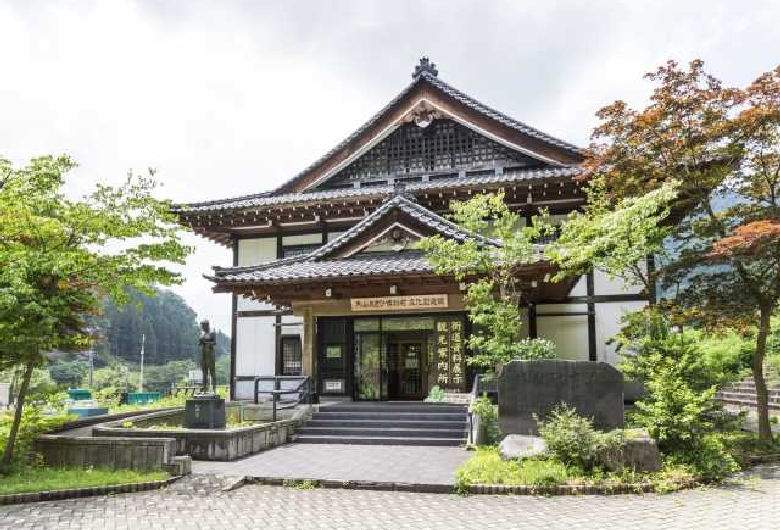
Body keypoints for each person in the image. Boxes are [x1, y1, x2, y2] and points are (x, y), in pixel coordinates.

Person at [198, 320, 217, 393]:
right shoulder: (202, 334)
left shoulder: (212, 333)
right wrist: (201, 341)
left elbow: (214, 342)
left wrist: (206, 342)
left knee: (212, 372)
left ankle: (214, 388)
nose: (202, 327)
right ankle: (204, 388)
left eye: (203, 326)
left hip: (210, 354)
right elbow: (199, 344)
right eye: (202, 326)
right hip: (203, 354)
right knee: (204, 372)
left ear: (207, 325)